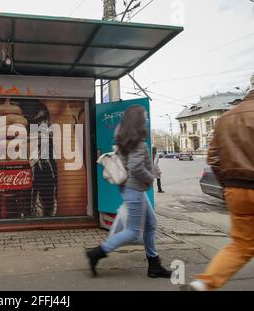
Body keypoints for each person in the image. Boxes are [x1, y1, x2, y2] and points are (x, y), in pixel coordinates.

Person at [86, 105, 172, 278]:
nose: (147, 118)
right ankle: (97, 253)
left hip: (130, 188)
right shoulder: (137, 142)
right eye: (145, 116)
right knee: (132, 231)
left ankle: (154, 264)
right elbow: (135, 167)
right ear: (139, 120)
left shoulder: (124, 137)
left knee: (151, 224)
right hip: (134, 189)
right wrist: (152, 177)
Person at [182, 90, 254, 291]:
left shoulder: (224, 118)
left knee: (241, 246)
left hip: (236, 190)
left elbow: (213, 157)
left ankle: (203, 283)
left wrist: (229, 185)